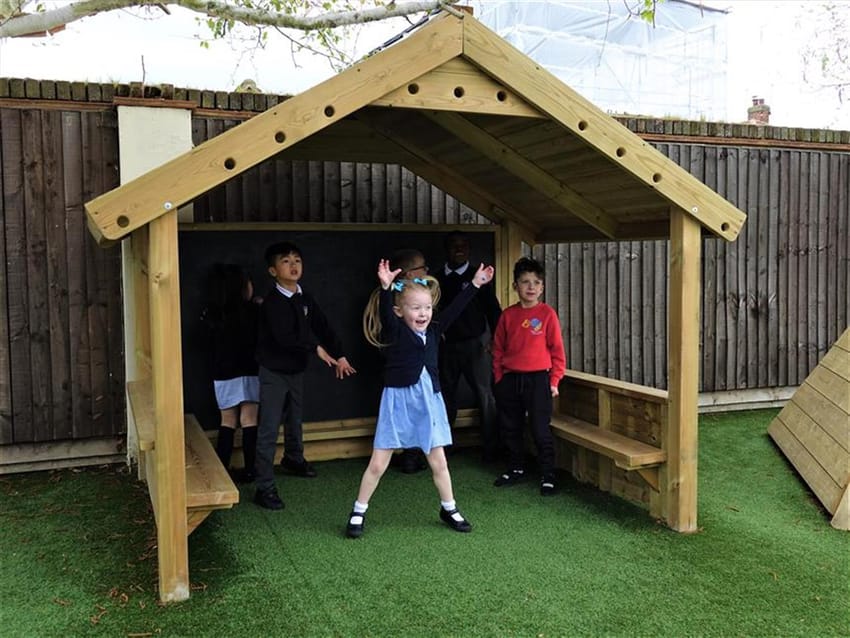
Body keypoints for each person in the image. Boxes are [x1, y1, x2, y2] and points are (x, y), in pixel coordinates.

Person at [345, 258, 495, 538]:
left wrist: (475, 284)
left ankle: (448, 507)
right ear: (399, 311)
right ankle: (358, 510)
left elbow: (453, 311)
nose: (423, 313)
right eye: (415, 308)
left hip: (429, 401)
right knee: (378, 463)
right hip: (398, 402)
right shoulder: (395, 329)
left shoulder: (435, 329)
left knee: (439, 461)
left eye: (426, 307)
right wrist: (386, 286)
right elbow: (385, 314)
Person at [254, 241, 356, 510]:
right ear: (273, 271)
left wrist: (339, 353)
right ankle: (264, 487)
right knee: (268, 427)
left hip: (296, 370)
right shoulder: (272, 302)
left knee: (295, 418)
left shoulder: (304, 297)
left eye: (297, 259)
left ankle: (293, 458)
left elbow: (323, 325)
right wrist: (316, 349)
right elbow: (285, 337)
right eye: (286, 261)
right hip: (273, 372)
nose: (293, 265)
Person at [491, 257, 566, 496]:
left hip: (538, 381)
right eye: (525, 282)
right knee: (510, 427)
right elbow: (497, 349)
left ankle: (548, 474)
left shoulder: (547, 314)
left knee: (540, 428)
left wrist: (554, 381)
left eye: (536, 282)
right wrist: (499, 378)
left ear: (542, 287)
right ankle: (516, 468)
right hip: (511, 380)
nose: (531, 287)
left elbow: (557, 352)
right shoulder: (507, 315)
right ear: (515, 286)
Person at [435, 231, 502, 462]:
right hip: (446, 348)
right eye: (454, 245)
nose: (459, 249)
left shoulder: (479, 277)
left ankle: (491, 449)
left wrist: (496, 340)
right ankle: (444, 448)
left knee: (486, 395)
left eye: (464, 245)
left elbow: (493, 311)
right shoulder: (436, 280)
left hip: (476, 346)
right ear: (447, 248)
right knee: (444, 397)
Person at [200, 263, 260, 483]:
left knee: (227, 420)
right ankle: (251, 469)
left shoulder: (213, 313)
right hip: (251, 370)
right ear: (244, 287)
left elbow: (204, 342)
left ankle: (222, 469)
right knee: (250, 419)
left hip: (223, 372)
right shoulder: (254, 311)